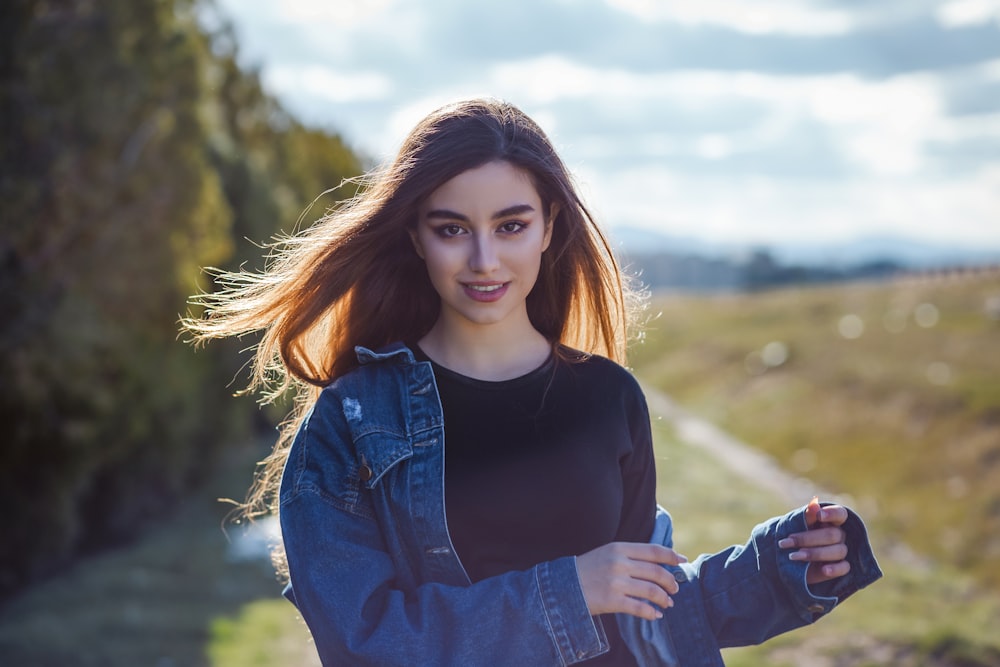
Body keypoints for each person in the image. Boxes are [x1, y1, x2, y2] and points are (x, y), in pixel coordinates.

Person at [184, 98, 881, 665]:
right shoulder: (352, 420)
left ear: (550, 226)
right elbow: (364, 639)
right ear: (415, 236)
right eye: (453, 228)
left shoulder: (609, 398)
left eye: (511, 224)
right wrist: (570, 589)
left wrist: (783, 566)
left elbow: (644, 610)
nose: (484, 260)